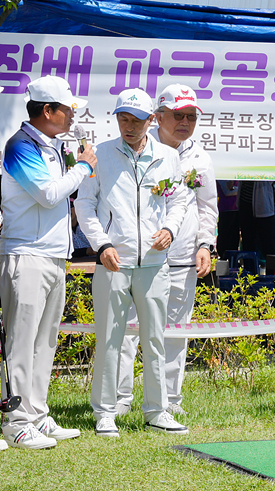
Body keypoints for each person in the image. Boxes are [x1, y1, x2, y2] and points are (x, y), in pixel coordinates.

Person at [77, 88, 189, 438]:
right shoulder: (102, 156)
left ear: (151, 120)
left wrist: (170, 228)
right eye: (122, 119)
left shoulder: (167, 157)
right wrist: (102, 244)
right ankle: (105, 412)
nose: (128, 126)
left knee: (155, 338)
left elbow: (179, 200)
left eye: (136, 120)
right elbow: (85, 205)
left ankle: (158, 410)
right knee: (110, 339)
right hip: (113, 262)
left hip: (155, 263)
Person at [0, 76, 96, 449]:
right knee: (21, 344)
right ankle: (17, 420)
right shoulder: (20, 146)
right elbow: (47, 194)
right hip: (26, 255)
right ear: (47, 111)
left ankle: (37, 415)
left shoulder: (53, 147)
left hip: (55, 255)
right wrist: (84, 166)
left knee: (46, 342)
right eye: (68, 109)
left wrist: (77, 166)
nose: (73, 115)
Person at [115, 84, 217, 418]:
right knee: (129, 328)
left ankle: (170, 399)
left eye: (191, 116)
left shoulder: (200, 157)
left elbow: (208, 207)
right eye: (177, 115)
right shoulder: (139, 149)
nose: (185, 122)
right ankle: (120, 398)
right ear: (157, 117)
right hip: (140, 259)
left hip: (184, 259)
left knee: (174, 331)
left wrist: (205, 244)